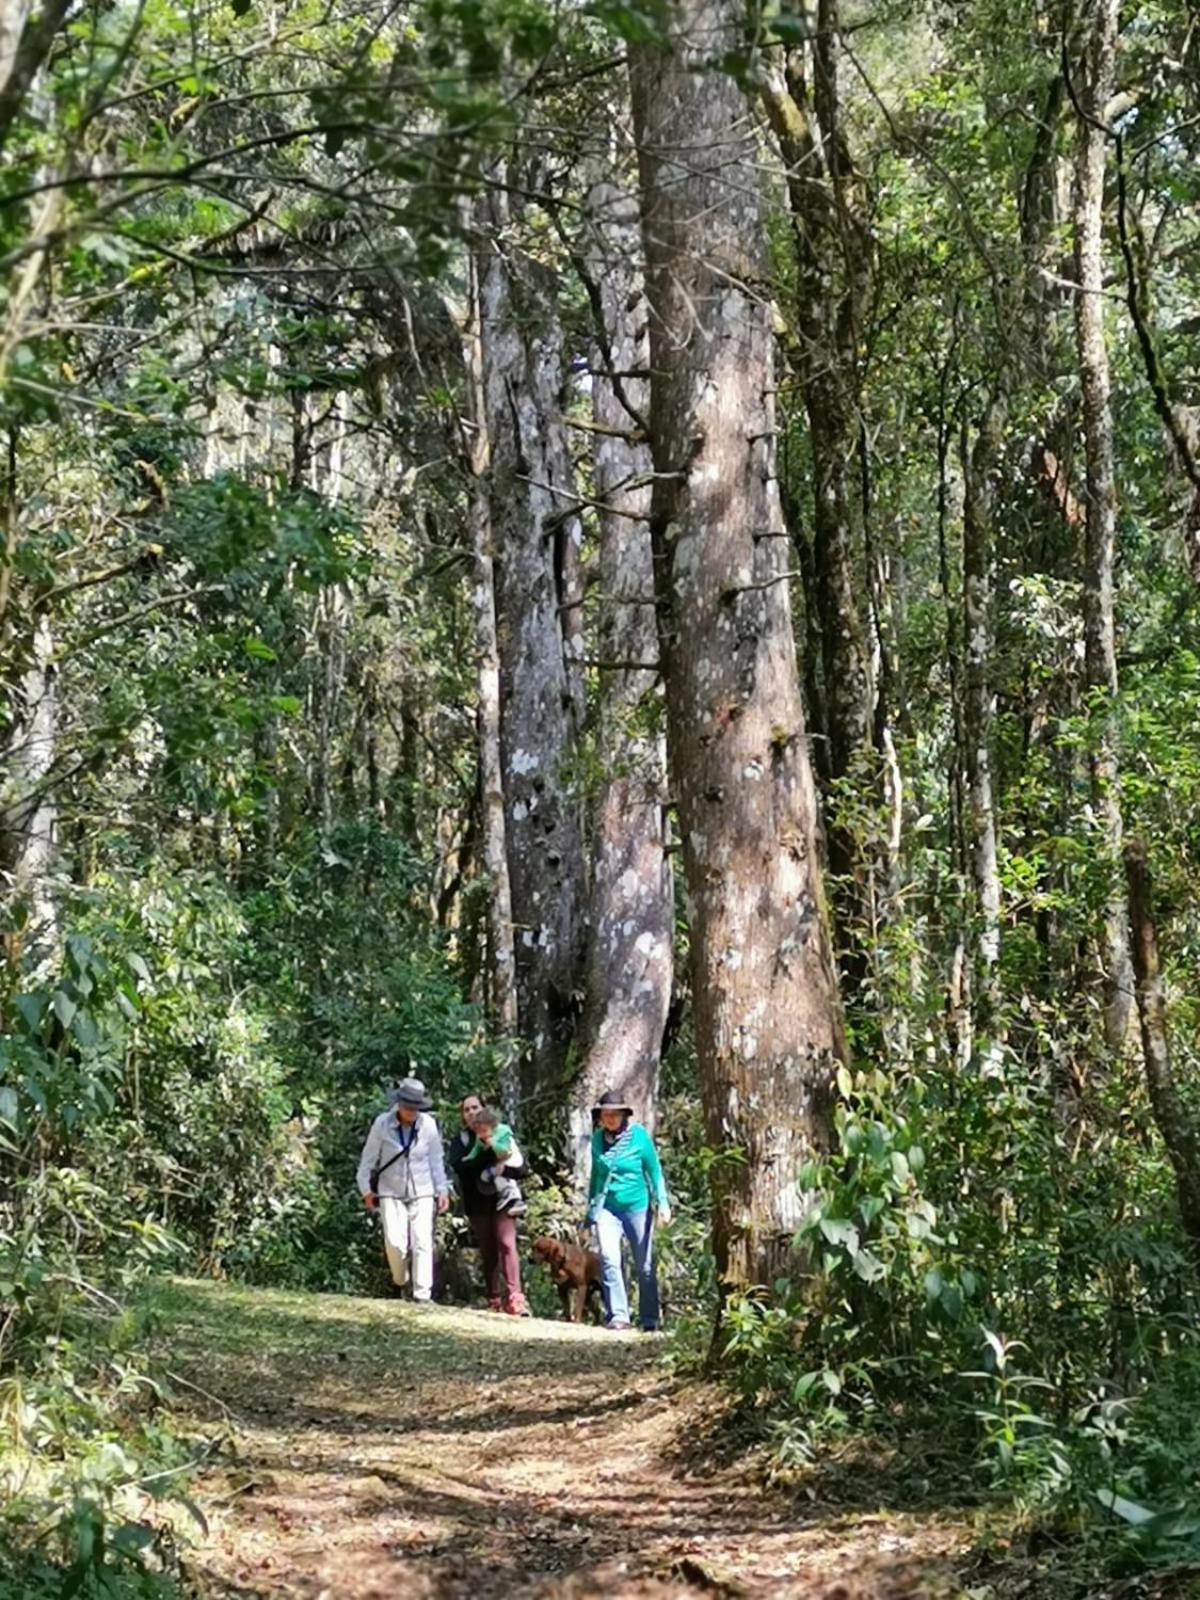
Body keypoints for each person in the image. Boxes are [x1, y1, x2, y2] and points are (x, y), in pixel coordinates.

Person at [357, 1077, 449, 1302]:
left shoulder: (428, 1124)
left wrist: (442, 1189)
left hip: (422, 1189)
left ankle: (422, 1294)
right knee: (395, 1242)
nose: (411, 1112)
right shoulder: (382, 1124)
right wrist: (365, 1190)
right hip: (390, 1189)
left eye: (415, 1108)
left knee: (422, 1240)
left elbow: (436, 1160)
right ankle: (400, 1280)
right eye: (408, 1107)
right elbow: (368, 1160)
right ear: (399, 1104)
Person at [586, 1089, 671, 1333]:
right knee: (610, 1259)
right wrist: (589, 1213)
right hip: (608, 1210)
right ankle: (619, 1316)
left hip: (638, 1208)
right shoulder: (597, 1140)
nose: (610, 1118)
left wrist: (662, 1203)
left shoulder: (639, 1137)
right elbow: (596, 1177)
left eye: (615, 1114)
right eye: (605, 1114)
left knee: (644, 1265)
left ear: (624, 1115)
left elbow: (654, 1172)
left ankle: (649, 1319)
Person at [448, 1094, 529, 1316]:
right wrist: (487, 1156)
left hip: (504, 1198)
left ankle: (515, 1298)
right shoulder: (461, 1142)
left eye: (475, 1107)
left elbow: (522, 1169)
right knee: (488, 1250)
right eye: (467, 1110)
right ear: (462, 1116)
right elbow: (461, 1168)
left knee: (506, 1243)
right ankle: (493, 1298)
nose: (472, 1112)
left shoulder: (502, 1133)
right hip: (477, 1203)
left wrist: (501, 1167)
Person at [464, 1105, 527, 1217]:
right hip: (499, 1166)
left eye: (484, 1131)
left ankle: (515, 1200)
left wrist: (495, 1147)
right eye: (479, 1131)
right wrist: (469, 1157)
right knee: (489, 1176)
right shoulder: (482, 1137)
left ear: (493, 1127)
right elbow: (476, 1148)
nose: (481, 1134)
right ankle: (509, 1198)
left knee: (499, 1175)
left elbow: (507, 1151)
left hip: (511, 1161)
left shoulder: (501, 1134)